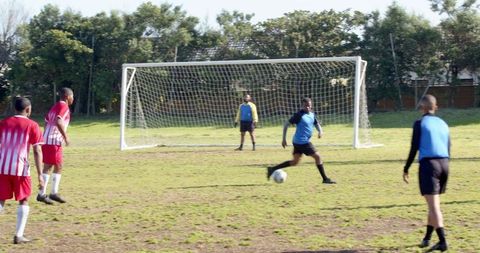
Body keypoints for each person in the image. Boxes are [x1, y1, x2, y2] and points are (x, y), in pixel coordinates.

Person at [403, 94, 450, 252]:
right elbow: (448, 146)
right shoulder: (443, 123)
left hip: (429, 166)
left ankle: (442, 241)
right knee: (433, 204)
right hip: (444, 164)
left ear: (422, 107)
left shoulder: (420, 123)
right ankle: (427, 238)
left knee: (434, 206)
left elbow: (414, 147)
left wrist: (406, 168)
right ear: (435, 107)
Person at [0, 97, 44, 244]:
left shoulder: (4, 123)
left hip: (2, 168)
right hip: (21, 169)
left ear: (15, 109)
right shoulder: (32, 125)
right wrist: (40, 175)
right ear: (28, 109)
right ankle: (18, 235)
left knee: (1, 199)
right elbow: (37, 150)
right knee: (24, 199)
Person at [267, 97, 335, 184]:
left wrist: (320, 131)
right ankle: (325, 179)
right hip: (302, 142)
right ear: (302, 105)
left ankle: (272, 169)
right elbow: (286, 125)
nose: (307, 107)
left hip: (297, 142)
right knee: (318, 157)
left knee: (294, 162)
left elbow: (316, 123)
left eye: (309, 106)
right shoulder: (298, 115)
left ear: (311, 106)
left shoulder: (312, 114)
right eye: (305, 106)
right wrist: (283, 139)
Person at [37, 87, 74, 205]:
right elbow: (58, 121)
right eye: (72, 97)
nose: (73, 99)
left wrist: (46, 134)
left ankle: (47, 193)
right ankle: (47, 193)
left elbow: (46, 121)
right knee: (55, 165)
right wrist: (65, 136)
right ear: (68, 97)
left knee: (52, 165)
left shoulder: (54, 106)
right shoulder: (64, 106)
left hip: (47, 139)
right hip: (54, 141)